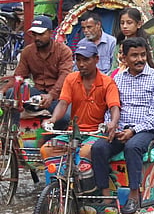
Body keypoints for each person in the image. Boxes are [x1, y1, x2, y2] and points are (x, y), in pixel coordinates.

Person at [91, 37, 154, 214]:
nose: (139, 59)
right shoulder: (117, 79)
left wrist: (134, 130)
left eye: (142, 55)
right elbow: (110, 107)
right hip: (120, 128)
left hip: (146, 129)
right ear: (124, 58)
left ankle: (134, 195)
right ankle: (105, 195)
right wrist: (111, 126)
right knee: (98, 148)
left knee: (133, 146)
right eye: (134, 56)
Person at [38, 41, 120, 199]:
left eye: (86, 60)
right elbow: (63, 103)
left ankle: (88, 192)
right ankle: (58, 187)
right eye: (79, 60)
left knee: (84, 152)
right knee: (46, 149)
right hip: (74, 133)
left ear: (96, 59)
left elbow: (114, 107)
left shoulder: (107, 82)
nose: (81, 64)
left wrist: (113, 123)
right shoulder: (71, 79)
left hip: (96, 133)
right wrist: (52, 119)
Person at [10, 15, 73, 110]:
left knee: (64, 118)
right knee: (11, 94)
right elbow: (19, 75)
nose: (37, 38)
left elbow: (64, 76)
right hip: (37, 91)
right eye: (34, 35)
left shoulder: (63, 51)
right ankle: (15, 124)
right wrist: (4, 90)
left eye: (41, 34)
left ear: (50, 33)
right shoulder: (28, 51)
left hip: (59, 94)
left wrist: (51, 95)